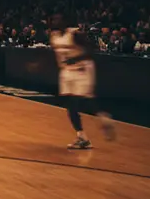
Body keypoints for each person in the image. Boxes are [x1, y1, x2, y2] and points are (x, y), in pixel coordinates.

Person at [49, 13, 114, 149]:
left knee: (81, 100)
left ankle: (102, 118)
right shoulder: (54, 36)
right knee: (69, 104)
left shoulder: (75, 34)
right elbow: (53, 55)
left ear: (65, 21)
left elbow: (91, 50)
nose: (55, 21)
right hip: (67, 71)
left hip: (82, 68)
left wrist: (75, 58)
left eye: (58, 19)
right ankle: (82, 136)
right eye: (53, 19)